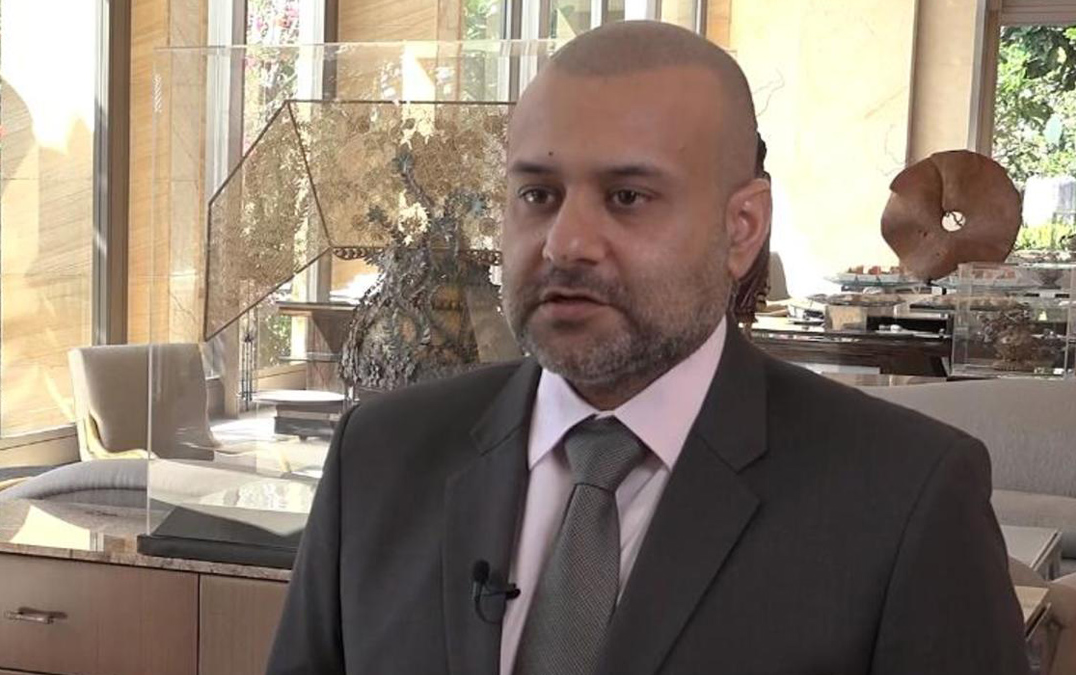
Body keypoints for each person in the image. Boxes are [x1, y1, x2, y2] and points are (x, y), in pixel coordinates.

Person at [267, 20, 1028, 675]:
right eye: (538, 195)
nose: (565, 242)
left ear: (742, 229)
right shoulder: (380, 457)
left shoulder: (904, 498)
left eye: (627, 197)